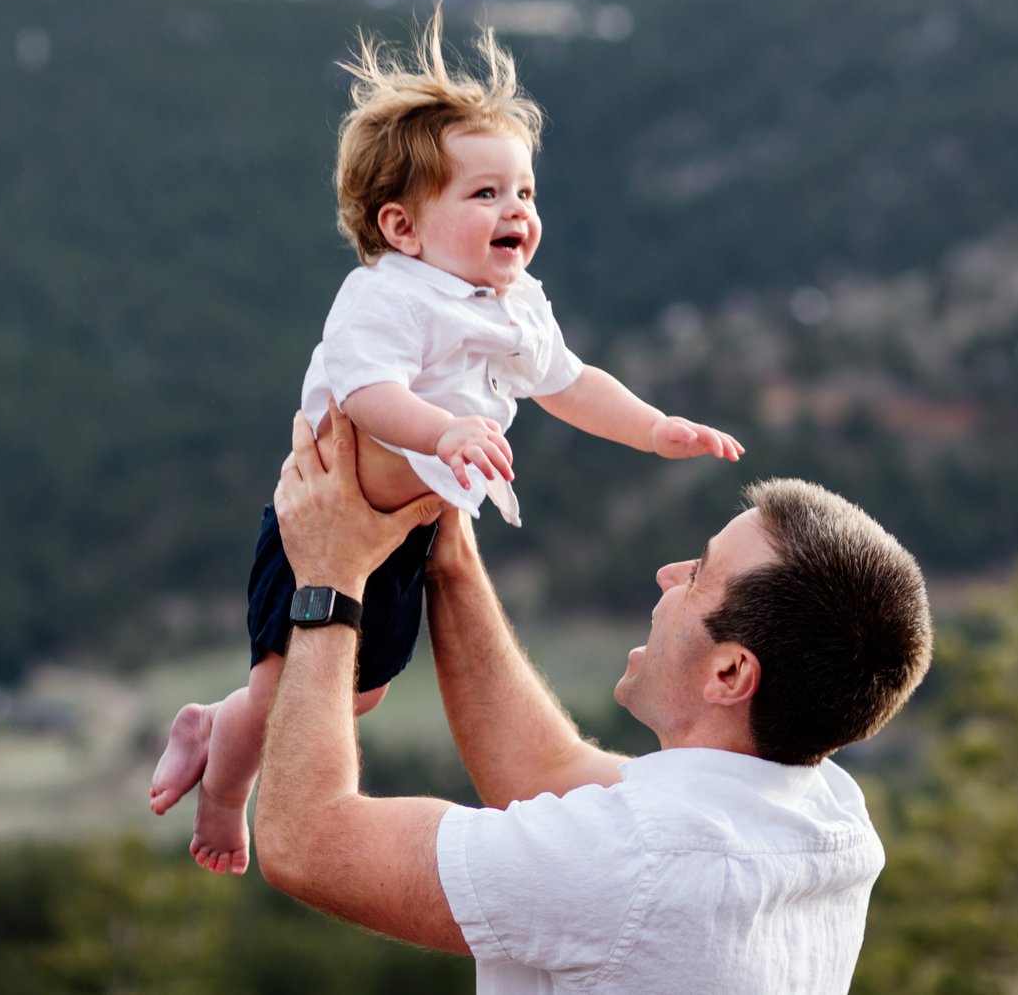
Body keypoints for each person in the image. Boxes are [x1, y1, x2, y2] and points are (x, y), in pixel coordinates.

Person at [151, 13, 743, 874]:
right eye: (486, 194)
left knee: (361, 693)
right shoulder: (388, 296)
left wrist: (654, 427)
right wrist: (447, 429)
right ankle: (222, 787)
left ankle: (215, 716)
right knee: (286, 696)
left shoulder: (515, 302)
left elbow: (570, 380)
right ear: (401, 227)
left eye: (526, 193)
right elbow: (368, 394)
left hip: (408, 532)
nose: (516, 211)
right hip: (324, 526)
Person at [257, 407, 934, 994]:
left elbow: (305, 841)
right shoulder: (831, 819)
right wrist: (449, 552)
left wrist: (331, 574)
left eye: (698, 574)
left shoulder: (628, 861)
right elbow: (544, 775)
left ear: (730, 672)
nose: (669, 573)